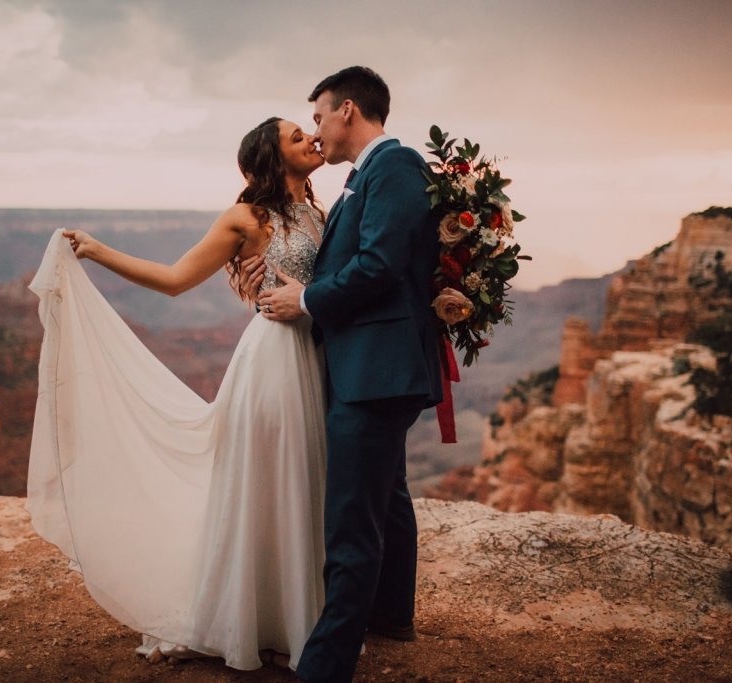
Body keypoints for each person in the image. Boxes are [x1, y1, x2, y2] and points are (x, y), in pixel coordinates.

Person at [26, 117, 329, 672]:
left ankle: (295, 616)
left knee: (306, 480)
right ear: (271, 158)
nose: (311, 139)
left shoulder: (317, 209)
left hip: (316, 357)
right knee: (268, 484)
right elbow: (173, 279)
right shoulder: (244, 218)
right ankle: (245, 619)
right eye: (296, 137)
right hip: (274, 362)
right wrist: (97, 250)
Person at [253, 66, 443, 683]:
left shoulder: (393, 168)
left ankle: (326, 665)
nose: (317, 130)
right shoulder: (370, 176)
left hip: (374, 372)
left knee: (351, 520)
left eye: (319, 116)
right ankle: (392, 616)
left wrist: (304, 302)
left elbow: (378, 266)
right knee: (386, 497)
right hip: (375, 368)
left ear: (349, 112)